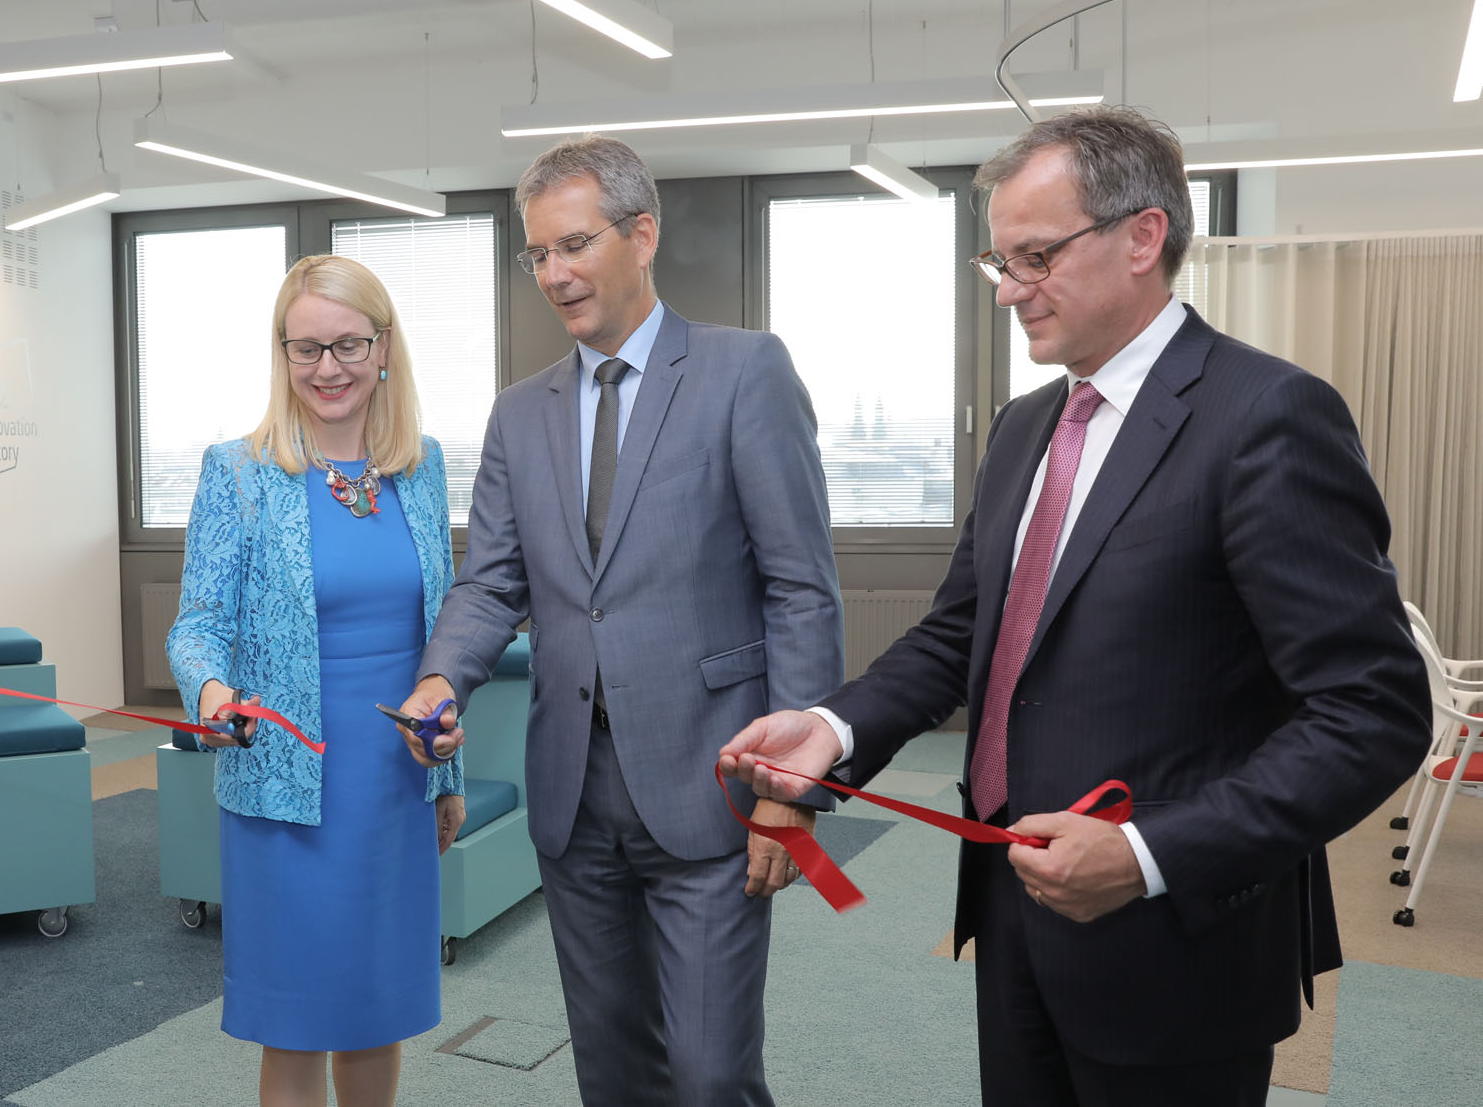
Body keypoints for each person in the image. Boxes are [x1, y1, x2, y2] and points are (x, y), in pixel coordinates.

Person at [719, 105, 1432, 1107]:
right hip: (1012, 907)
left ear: (1142, 235)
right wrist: (832, 731)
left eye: (1035, 257)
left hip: (1177, 939)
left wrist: (1147, 856)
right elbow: (963, 634)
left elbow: (1372, 712)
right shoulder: (1021, 428)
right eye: (998, 263)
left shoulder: (1263, 416)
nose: (1010, 291)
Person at [398, 135, 844, 1106]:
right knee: (611, 1073)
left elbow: (799, 590)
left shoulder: (742, 373)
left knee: (710, 1073)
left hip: (711, 783)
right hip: (572, 795)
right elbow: (490, 583)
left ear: (640, 234)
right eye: (537, 255)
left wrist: (791, 787)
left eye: (573, 244)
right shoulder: (520, 413)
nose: (554, 274)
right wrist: (443, 676)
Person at [166, 254, 462, 1107]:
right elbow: (198, 623)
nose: (326, 369)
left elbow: (437, 634)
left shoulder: (423, 465)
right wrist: (213, 692)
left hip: (393, 784)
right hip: (285, 790)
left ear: (383, 348)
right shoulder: (240, 470)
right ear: (282, 353)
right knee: (295, 1022)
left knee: (377, 1009)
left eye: (346, 346)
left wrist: (445, 775)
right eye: (305, 349)